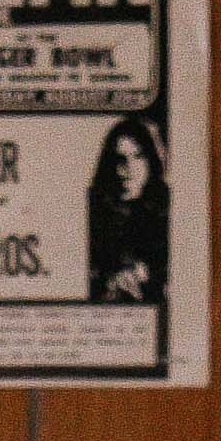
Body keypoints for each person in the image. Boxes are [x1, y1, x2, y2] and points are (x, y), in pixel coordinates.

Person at [85, 114, 169, 307]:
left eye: (138, 157)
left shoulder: (167, 213)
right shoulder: (95, 214)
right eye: (119, 159)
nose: (127, 169)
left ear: (151, 162)